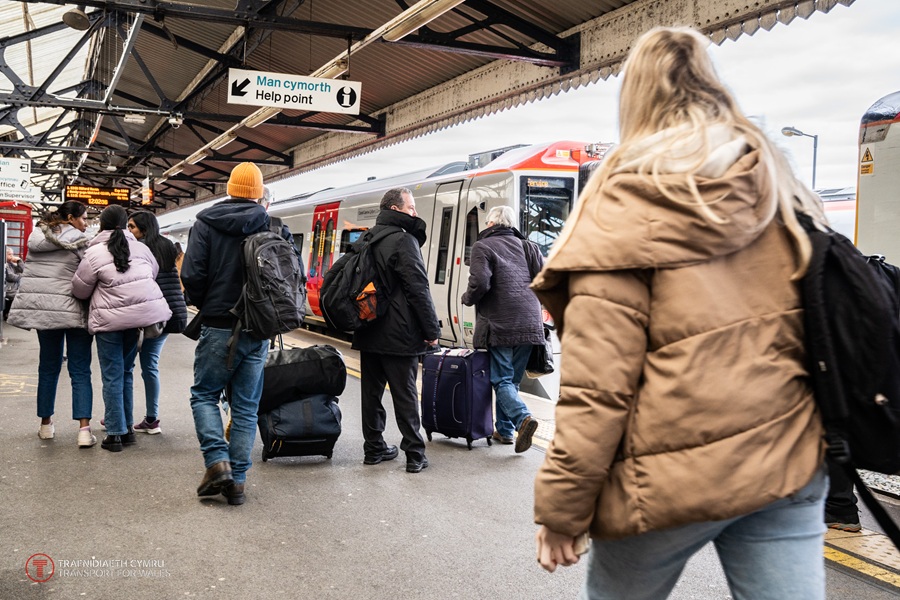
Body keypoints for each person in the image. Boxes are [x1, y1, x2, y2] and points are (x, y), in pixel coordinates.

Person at [531, 27, 828, 599]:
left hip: (664, 479)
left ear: (634, 101)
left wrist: (563, 510)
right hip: (785, 457)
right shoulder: (778, 186)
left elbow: (598, 386)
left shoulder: (620, 203)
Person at [181, 162, 272, 505]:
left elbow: (192, 275)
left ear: (230, 189)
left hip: (219, 322)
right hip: (257, 327)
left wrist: (210, 303)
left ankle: (218, 462)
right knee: (246, 407)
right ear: (259, 192)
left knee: (205, 395)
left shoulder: (205, 224)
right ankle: (238, 482)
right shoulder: (270, 223)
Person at [352, 187, 440, 473]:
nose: (415, 212)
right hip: (399, 331)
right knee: (404, 394)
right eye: (411, 207)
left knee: (372, 393)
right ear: (396, 208)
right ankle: (414, 454)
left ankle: (374, 448)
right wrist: (430, 329)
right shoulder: (404, 240)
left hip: (368, 325)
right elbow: (418, 288)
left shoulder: (367, 237)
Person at [72, 205, 171, 453]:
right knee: (126, 372)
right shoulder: (143, 249)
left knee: (112, 375)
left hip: (108, 322)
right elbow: (152, 274)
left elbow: (80, 289)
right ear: (126, 225)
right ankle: (127, 431)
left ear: (102, 225)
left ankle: (114, 434)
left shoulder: (94, 252)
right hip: (137, 321)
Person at [7, 202, 96, 447]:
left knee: (48, 368)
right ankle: (84, 431)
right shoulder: (81, 241)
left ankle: (46, 425)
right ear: (70, 218)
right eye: (83, 219)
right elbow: (87, 278)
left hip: (44, 314)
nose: (85, 223)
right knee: (80, 370)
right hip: (74, 312)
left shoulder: (36, 239)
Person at [460, 205, 543, 452]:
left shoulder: (483, 246)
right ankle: (505, 431)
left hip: (501, 322)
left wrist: (467, 297)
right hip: (529, 323)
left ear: (490, 224)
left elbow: (480, 283)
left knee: (501, 379)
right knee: (511, 381)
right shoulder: (530, 246)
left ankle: (522, 419)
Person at [126, 210, 188, 434]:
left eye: (132, 226)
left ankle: (120, 415)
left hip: (146, 314)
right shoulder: (168, 246)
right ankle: (152, 419)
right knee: (149, 366)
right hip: (168, 314)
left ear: (143, 229)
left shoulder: (141, 250)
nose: (129, 230)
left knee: (125, 366)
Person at [4, 246, 24, 320]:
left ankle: (9, 314)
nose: (12, 256)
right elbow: (10, 277)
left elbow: (21, 270)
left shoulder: (10, 263)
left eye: (12, 254)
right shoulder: (5, 264)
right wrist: (21, 276)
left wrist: (19, 261)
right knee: (15, 297)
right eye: (10, 254)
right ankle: (8, 314)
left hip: (13, 287)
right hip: (7, 288)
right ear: (4, 254)